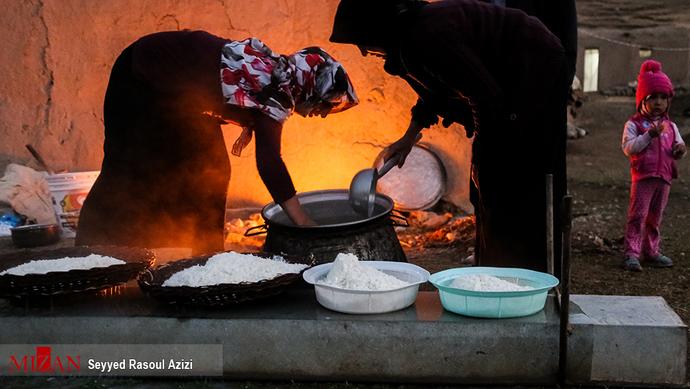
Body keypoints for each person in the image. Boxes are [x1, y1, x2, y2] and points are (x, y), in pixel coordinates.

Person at [330, 0, 569, 273]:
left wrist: (482, 152)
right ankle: (493, 262)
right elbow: (434, 93)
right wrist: (408, 138)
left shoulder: (429, 35)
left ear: (378, 28)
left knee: (515, 173)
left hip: (535, 67)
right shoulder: (409, 41)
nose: (363, 51)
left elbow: (486, 96)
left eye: (362, 40)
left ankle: (526, 269)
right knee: (487, 182)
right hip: (506, 82)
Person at [76, 30, 358, 255]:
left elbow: (218, 90)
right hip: (139, 76)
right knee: (129, 168)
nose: (322, 114)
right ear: (310, 85)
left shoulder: (275, 79)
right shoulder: (275, 89)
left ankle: (205, 257)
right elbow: (270, 163)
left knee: (210, 169)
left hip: (181, 98)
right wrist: (304, 223)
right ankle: (90, 250)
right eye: (326, 104)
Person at [621, 60, 686, 271]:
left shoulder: (671, 125)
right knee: (638, 215)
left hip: (664, 178)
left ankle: (651, 251)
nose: (658, 102)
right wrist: (649, 135)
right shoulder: (634, 124)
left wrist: (680, 150)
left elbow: (678, 145)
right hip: (643, 177)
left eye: (663, 97)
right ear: (642, 100)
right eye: (653, 97)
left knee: (655, 217)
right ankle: (632, 253)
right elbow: (629, 148)